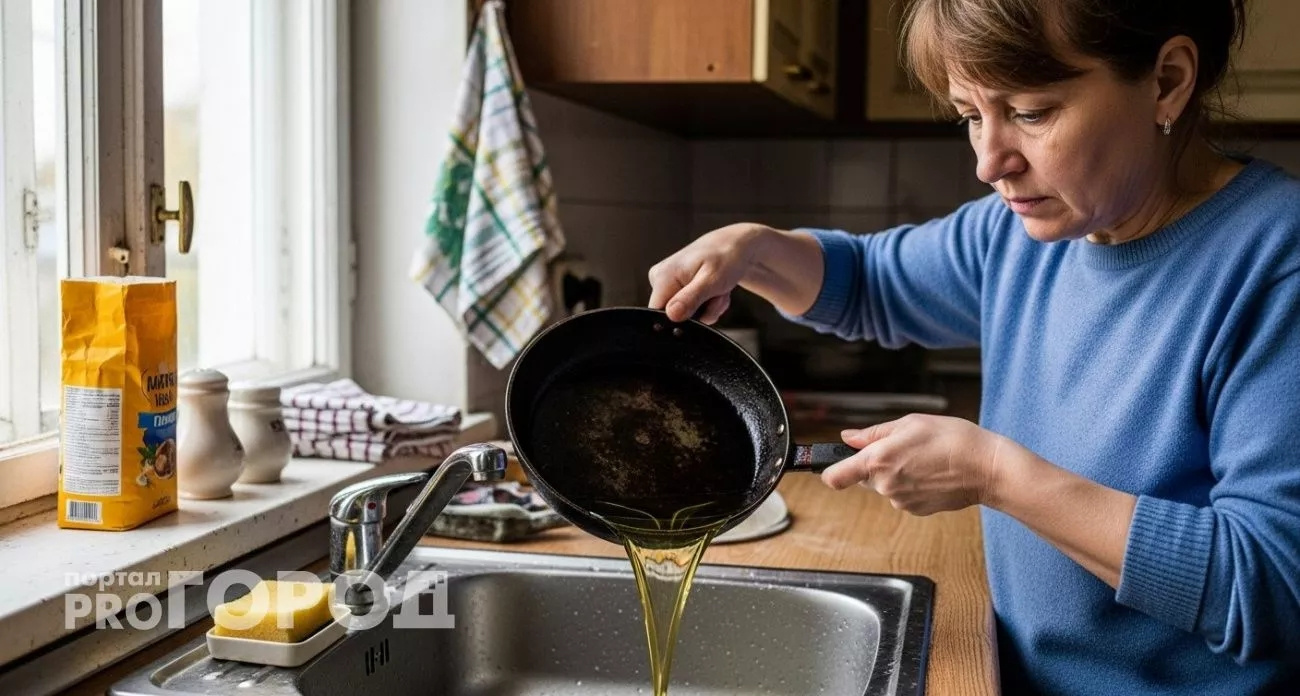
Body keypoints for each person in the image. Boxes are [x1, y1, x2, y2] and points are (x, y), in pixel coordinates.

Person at [646, 0, 1300, 693]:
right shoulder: (1017, 234)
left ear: (1166, 81)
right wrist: (754, 251)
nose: (990, 162)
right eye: (969, 114)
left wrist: (997, 476)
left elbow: (1274, 587)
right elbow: (869, 283)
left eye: (1031, 112)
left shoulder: (1274, 264)